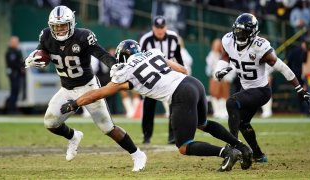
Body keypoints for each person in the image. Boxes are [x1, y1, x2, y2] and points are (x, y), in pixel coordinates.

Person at [60, 39, 253, 172]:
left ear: (122, 57)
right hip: (194, 83)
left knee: (184, 146)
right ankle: (242, 147)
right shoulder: (153, 54)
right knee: (202, 123)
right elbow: (182, 69)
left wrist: (75, 103)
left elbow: (99, 93)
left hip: (180, 93)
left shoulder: (125, 70)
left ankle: (227, 152)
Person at [24, 6, 146, 172]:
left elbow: (101, 54)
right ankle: (74, 136)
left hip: (88, 87)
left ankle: (137, 154)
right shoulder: (46, 35)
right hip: (66, 89)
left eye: (63, 25)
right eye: (56, 26)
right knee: (50, 122)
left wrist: (114, 66)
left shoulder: (83, 36)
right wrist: (34, 59)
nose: (59, 29)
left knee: (107, 128)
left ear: (71, 23)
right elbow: (42, 53)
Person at [214, 13, 310, 163]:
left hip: (261, 91)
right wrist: (220, 69)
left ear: (253, 33)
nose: (240, 35)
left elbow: (283, 68)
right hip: (246, 89)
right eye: (238, 31)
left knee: (231, 102)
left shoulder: (261, 48)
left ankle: (232, 146)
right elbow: (225, 57)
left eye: (244, 32)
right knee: (242, 122)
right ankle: (258, 154)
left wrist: (299, 89)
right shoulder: (228, 40)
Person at [139, 15, 184, 144]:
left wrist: (182, 71)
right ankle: (147, 136)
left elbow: (178, 57)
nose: (160, 30)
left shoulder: (173, 37)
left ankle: (172, 136)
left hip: (169, 76)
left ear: (166, 27)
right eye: (157, 27)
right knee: (148, 106)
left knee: (173, 106)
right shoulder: (145, 40)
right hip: (151, 77)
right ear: (153, 27)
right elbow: (140, 60)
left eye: (162, 27)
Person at [205, 38, 235, 119]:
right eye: (215, 45)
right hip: (214, 78)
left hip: (225, 78)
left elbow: (232, 67)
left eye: (218, 45)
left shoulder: (226, 54)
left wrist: (227, 76)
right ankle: (216, 111)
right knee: (214, 94)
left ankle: (224, 111)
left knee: (224, 95)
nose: (217, 47)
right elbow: (209, 66)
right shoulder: (212, 54)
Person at [5, 36, 24, 114]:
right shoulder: (11, 52)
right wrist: (21, 66)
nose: (17, 43)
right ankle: (11, 110)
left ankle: (12, 108)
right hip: (14, 74)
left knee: (15, 92)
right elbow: (13, 63)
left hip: (16, 74)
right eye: (16, 42)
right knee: (14, 91)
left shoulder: (15, 51)